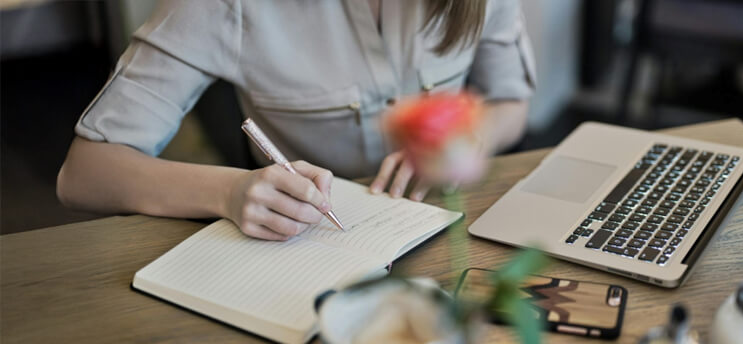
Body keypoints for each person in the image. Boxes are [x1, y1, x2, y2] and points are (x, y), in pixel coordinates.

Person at [57, 0, 535, 241]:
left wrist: (475, 135)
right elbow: (84, 174)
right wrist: (228, 192)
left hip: (450, 229)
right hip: (309, 243)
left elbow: (512, 104)